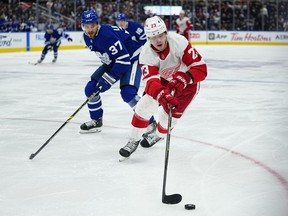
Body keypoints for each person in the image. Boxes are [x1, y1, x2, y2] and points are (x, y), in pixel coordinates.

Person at [119, 16, 207, 158]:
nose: (158, 40)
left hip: (187, 85)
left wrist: (185, 78)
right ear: (148, 38)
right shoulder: (146, 54)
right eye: (153, 37)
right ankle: (133, 140)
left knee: (167, 120)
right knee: (143, 106)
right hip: (163, 83)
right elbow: (151, 82)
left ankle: (159, 135)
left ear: (166, 33)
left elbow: (201, 68)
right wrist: (161, 94)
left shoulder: (179, 42)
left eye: (160, 35)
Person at [80, 9, 145, 133]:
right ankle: (97, 120)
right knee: (90, 89)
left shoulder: (106, 35)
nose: (89, 30)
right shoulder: (86, 37)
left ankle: (149, 123)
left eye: (92, 26)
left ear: (97, 24)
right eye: (86, 26)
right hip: (114, 60)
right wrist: (106, 76)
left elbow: (124, 59)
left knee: (128, 93)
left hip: (132, 59)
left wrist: (108, 79)